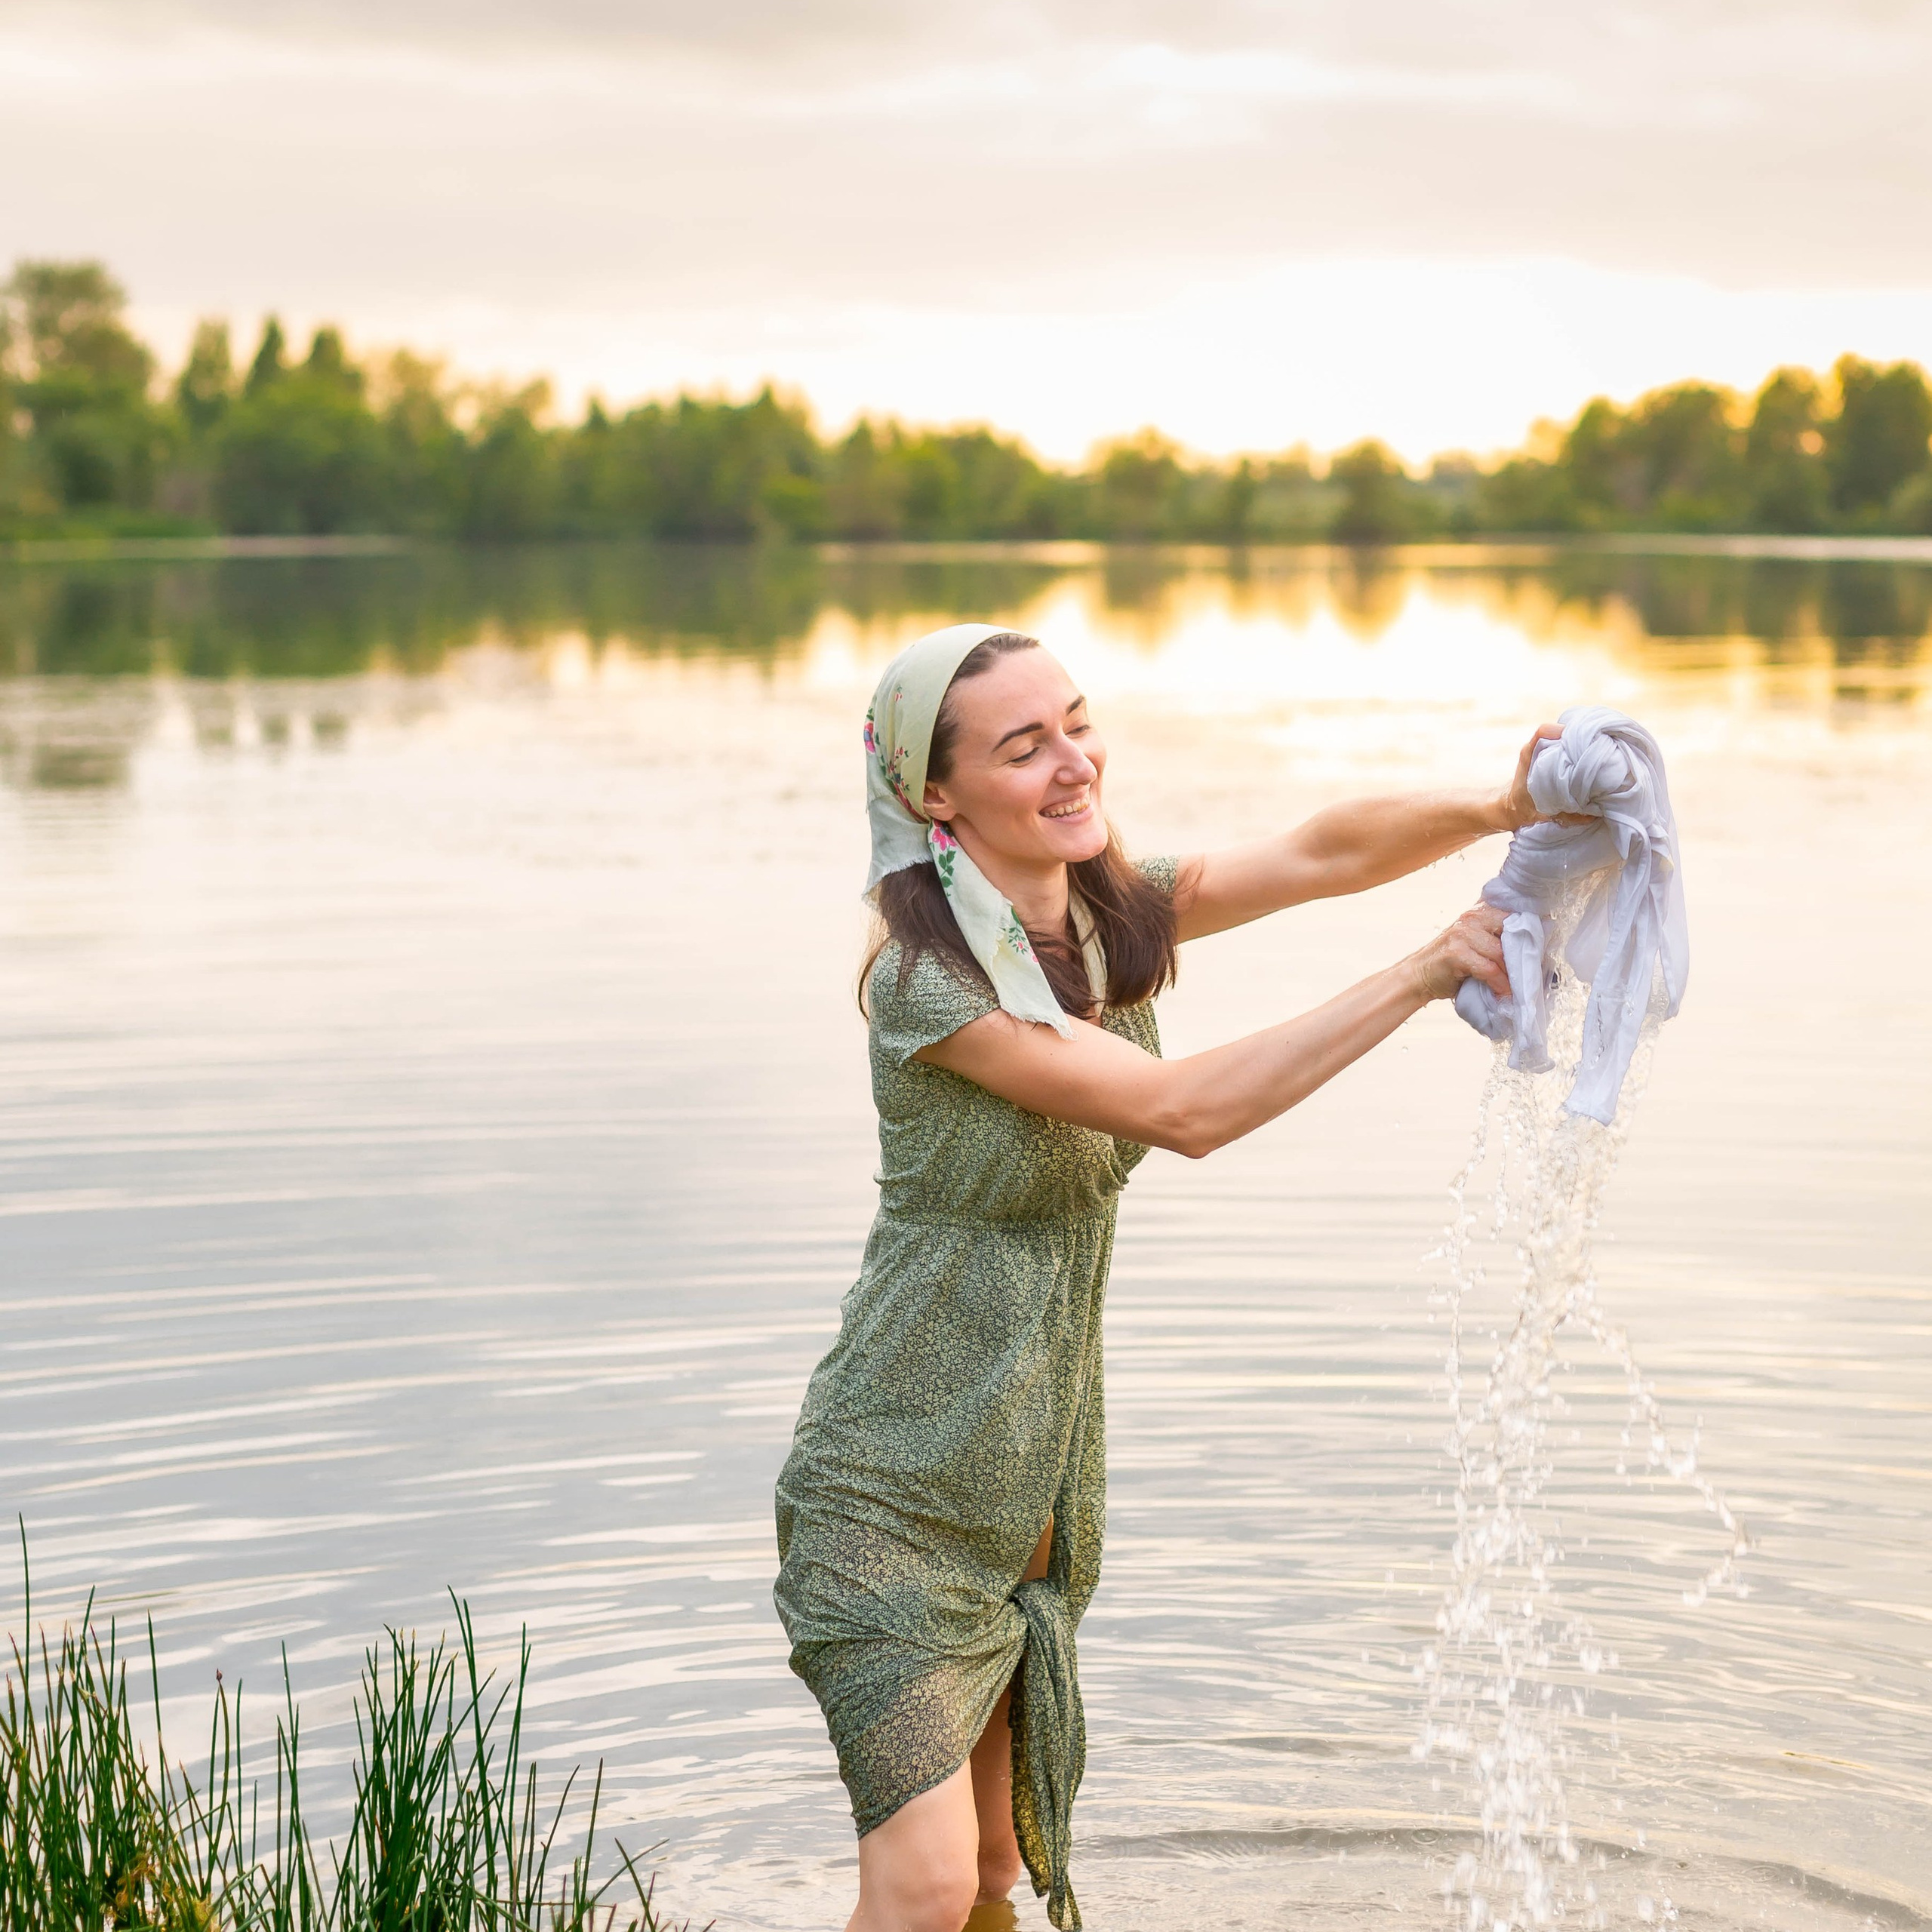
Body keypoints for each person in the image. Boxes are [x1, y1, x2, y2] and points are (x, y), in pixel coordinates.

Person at [774, 622, 1561, 1932]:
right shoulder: (930, 985)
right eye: (1024, 748)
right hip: (892, 1499)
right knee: (915, 1895)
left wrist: (1503, 801)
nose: (1073, 762)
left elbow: (1319, 853)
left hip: (1025, 1501)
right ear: (935, 795)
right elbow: (1184, 1110)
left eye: (1077, 724)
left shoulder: (1102, 909)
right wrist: (1426, 971)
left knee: (983, 1882)